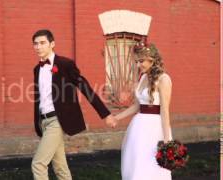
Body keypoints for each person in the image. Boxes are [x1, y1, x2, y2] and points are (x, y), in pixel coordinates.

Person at [31, 29, 116, 180]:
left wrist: (105, 114)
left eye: (42, 43)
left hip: (57, 121)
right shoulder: (38, 69)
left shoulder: (65, 64)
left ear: (52, 44)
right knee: (60, 167)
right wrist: (38, 123)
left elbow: (85, 87)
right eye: (35, 44)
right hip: (43, 121)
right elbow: (39, 99)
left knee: (38, 164)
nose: (38, 47)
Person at [114, 42, 173, 180]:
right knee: (136, 165)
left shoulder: (164, 79)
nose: (138, 65)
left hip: (154, 129)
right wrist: (117, 117)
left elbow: (165, 111)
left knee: (152, 167)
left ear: (151, 60)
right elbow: (137, 106)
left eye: (141, 61)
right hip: (138, 128)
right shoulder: (142, 78)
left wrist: (166, 140)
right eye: (136, 62)